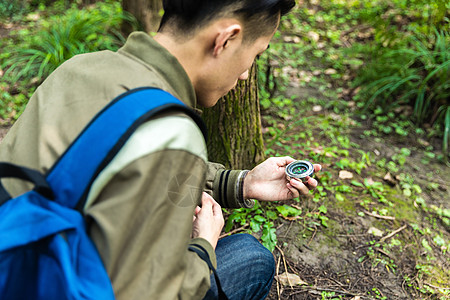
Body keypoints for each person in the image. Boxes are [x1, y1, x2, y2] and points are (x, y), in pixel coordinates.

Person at [0, 0, 321, 299]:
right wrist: (202, 248)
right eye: (256, 53)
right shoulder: (172, 130)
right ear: (226, 40)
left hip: (16, 262)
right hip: (67, 284)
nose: (247, 72)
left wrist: (243, 183)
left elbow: (110, 160)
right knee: (252, 258)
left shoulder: (80, 68)